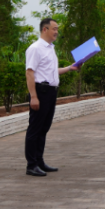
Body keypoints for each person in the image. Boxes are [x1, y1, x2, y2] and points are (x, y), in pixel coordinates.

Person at [24, 17, 80, 177]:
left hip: (50, 92)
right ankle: (31, 164)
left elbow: (51, 71)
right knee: (35, 129)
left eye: (57, 29)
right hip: (40, 92)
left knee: (44, 128)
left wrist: (70, 68)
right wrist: (34, 97)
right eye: (54, 29)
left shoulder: (50, 49)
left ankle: (39, 161)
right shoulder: (35, 48)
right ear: (44, 30)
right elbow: (30, 73)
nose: (56, 32)